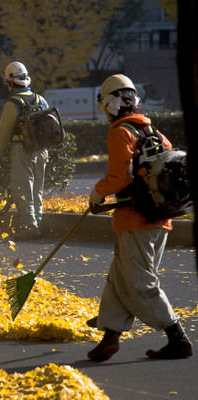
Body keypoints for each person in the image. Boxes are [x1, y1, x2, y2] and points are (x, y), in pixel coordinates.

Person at [87, 74, 193, 361]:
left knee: (140, 282)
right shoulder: (154, 133)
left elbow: (120, 176)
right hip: (160, 218)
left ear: (109, 103)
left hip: (136, 219)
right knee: (120, 277)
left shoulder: (120, 132)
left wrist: (97, 194)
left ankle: (177, 338)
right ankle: (110, 336)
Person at [0, 61, 49, 240]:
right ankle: (36, 225)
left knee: (22, 190)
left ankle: (29, 229)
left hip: (22, 151)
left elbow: (4, 132)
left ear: (10, 82)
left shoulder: (13, 102)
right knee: (37, 191)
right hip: (42, 151)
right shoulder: (41, 99)